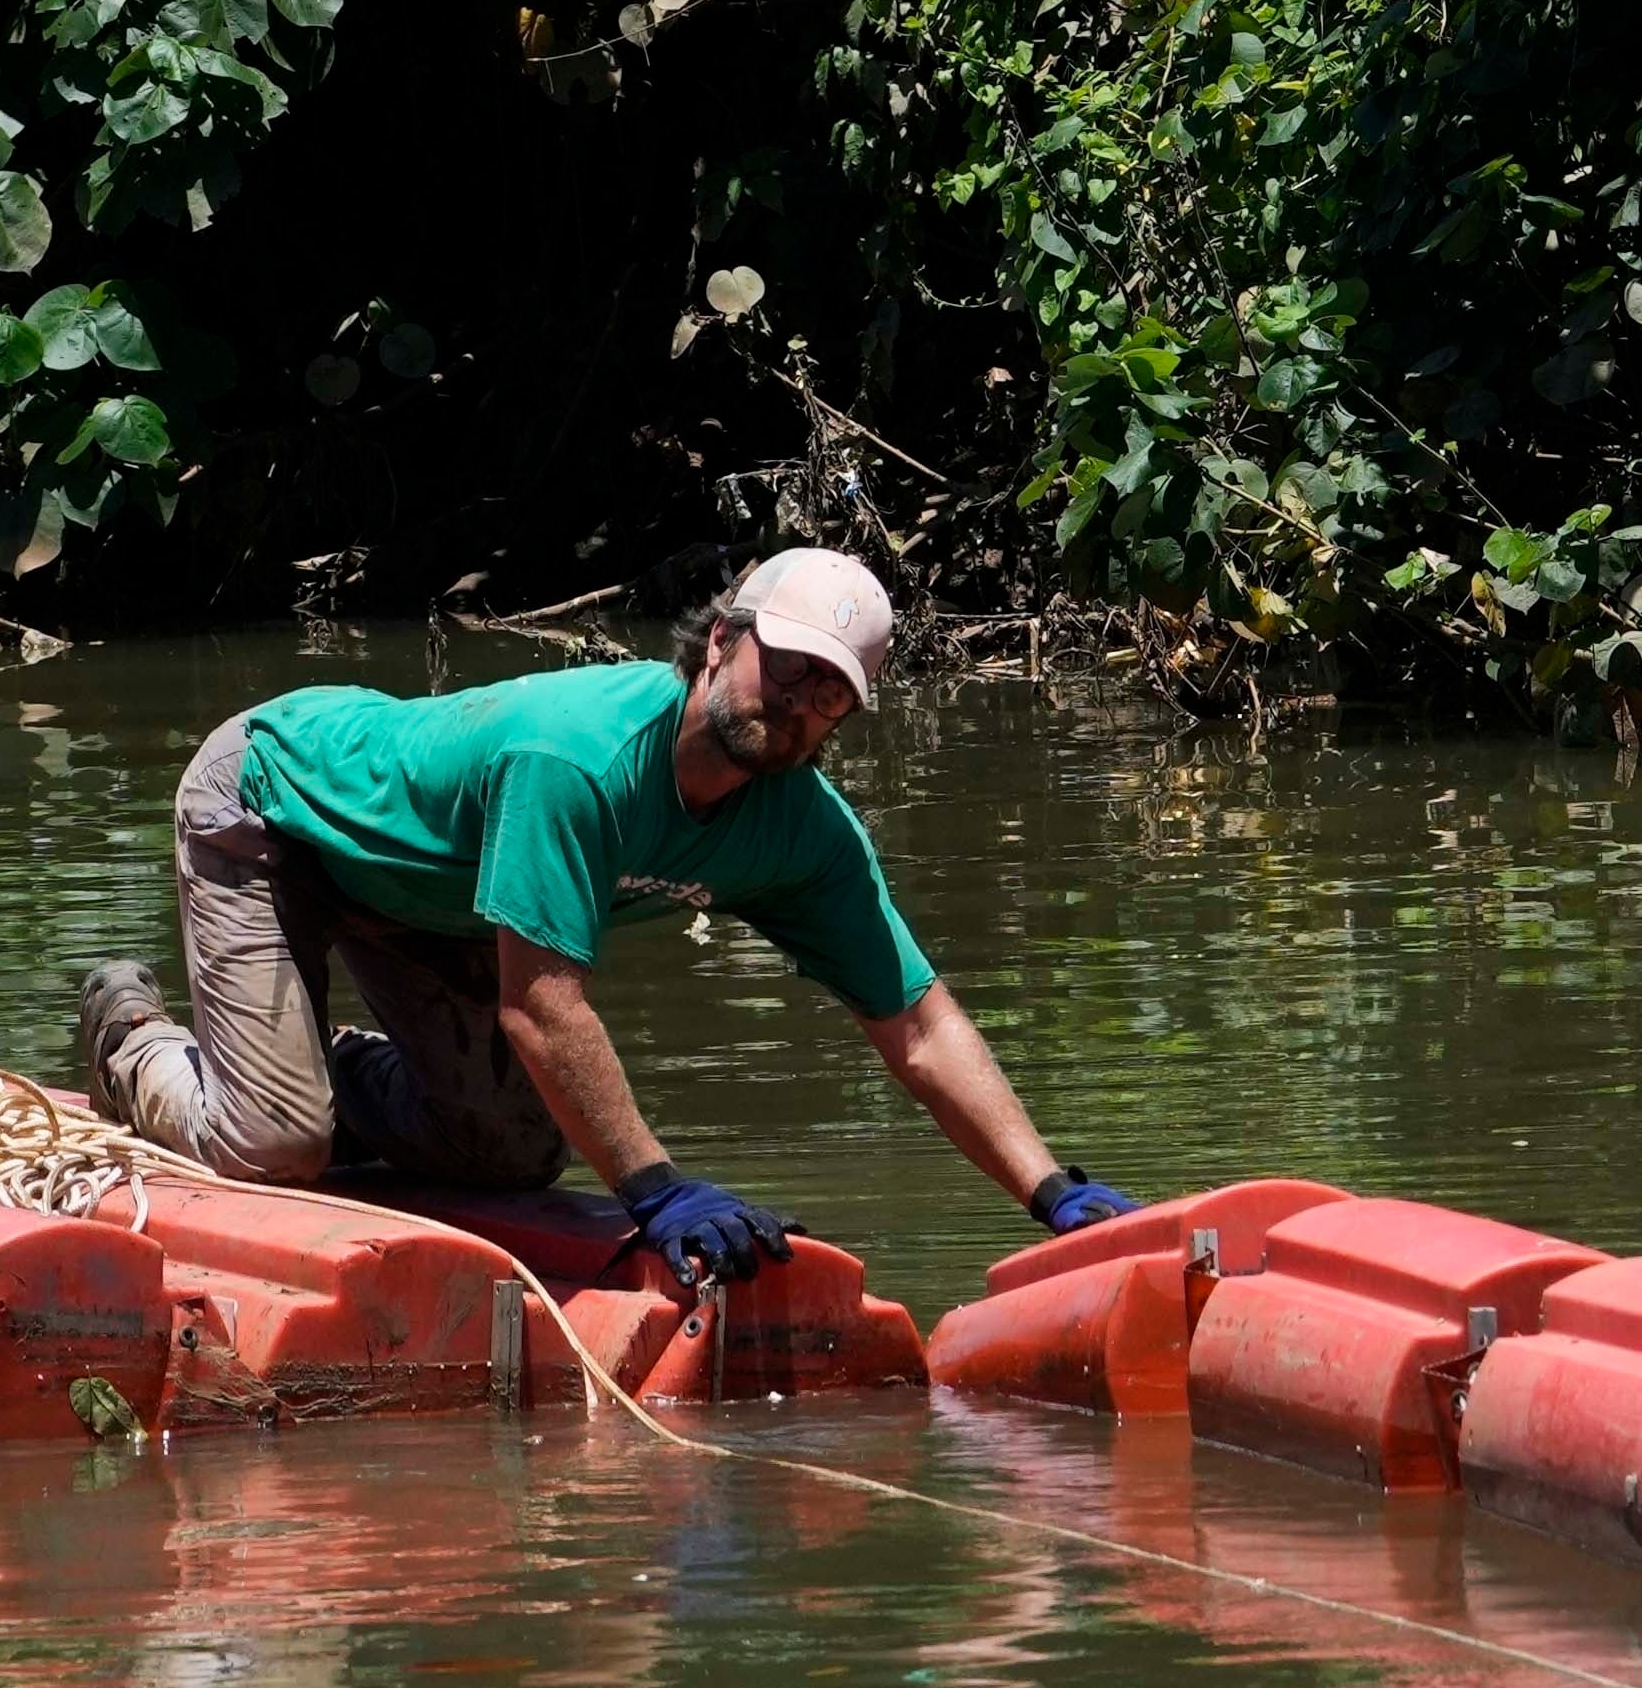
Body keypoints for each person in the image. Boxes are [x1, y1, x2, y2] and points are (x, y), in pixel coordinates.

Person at [67, 549, 1140, 1294]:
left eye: (834, 696)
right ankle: (136, 1038)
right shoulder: (576, 757)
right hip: (277, 812)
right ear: (719, 642)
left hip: (435, 894)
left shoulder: (800, 831)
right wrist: (657, 1192)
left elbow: (917, 1022)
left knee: (509, 1151)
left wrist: (1054, 1193)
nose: (802, 705)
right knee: (276, 1147)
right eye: (790, 669)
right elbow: (542, 1008)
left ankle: (300, 1060)